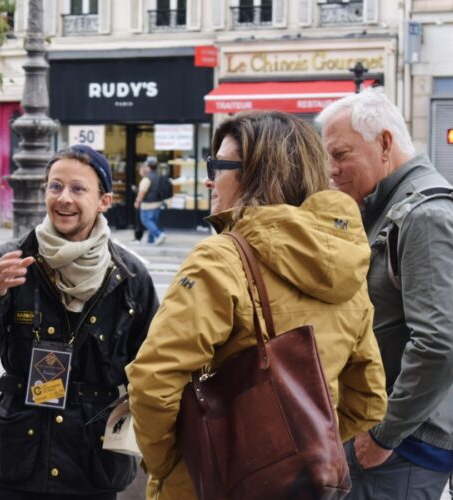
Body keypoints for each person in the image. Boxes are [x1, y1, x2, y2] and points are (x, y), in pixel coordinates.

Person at [126, 111, 388, 500]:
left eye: (218, 165)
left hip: (212, 485)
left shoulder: (221, 259)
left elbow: (152, 382)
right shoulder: (348, 259)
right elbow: (368, 401)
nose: (209, 179)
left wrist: (170, 466)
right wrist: (297, 448)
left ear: (256, 173)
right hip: (301, 485)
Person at [0, 144, 159, 500]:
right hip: (18, 460)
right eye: (55, 186)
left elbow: (152, 366)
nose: (64, 198)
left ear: (104, 201)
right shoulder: (10, 261)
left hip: (93, 463)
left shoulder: (130, 277)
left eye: (78, 189)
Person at [317, 87, 453, 499]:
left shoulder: (426, 217)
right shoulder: (407, 209)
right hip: (401, 450)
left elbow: (443, 345)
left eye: (340, 155)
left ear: (385, 143)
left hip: (401, 454)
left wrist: (383, 434)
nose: (331, 170)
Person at [134, 157, 167, 246]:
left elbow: (142, 192)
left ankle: (159, 234)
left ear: (148, 167)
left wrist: (137, 201)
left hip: (148, 204)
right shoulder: (159, 176)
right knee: (153, 221)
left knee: (146, 220)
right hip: (158, 202)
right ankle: (150, 240)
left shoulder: (147, 178)